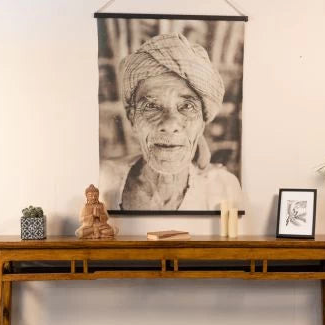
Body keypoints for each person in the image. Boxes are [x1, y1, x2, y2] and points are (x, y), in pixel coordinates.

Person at [100, 33, 243, 211]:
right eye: (151, 106)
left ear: (202, 122)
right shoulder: (103, 181)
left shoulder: (223, 188)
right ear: (132, 118)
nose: (169, 124)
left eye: (187, 106)